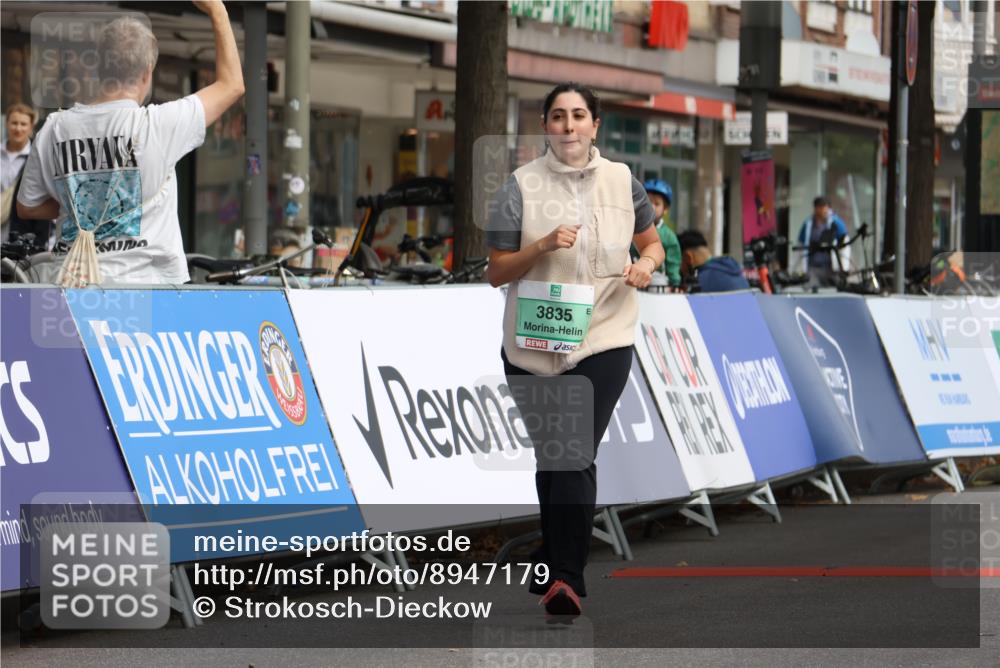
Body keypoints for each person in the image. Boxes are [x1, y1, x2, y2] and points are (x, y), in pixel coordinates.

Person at [486, 82, 664, 617]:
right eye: (559, 116)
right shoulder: (519, 186)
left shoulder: (622, 181)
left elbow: (652, 243)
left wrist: (646, 266)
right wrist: (541, 245)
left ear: (595, 125)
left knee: (572, 450)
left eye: (579, 115)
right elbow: (496, 271)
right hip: (532, 345)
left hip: (605, 335)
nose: (569, 125)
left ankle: (566, 575)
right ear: (545, 125)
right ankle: (553, 557)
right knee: (554, 456)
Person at [17, 2, 244, 284]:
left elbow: (27, 206)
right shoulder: (158, 124)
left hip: (72, 286)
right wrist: (217, 10)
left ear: (98, 69)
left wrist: (86, 206)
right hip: (148, 287)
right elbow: (232, 85)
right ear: (147, 73)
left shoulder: (54, 128)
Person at [1, 103, 51, 248]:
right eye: (14, 123)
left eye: (23, 124)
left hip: (22, 241)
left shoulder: (38, 159)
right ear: (6, 124)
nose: (18, 128)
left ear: (31, 127)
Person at [795, 195, 849, 287]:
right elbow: (800, 245)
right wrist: (798, 268)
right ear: (816, 209)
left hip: (831, 268)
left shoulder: (836, 223)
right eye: (820, 207)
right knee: (811, 288)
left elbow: (845, 245)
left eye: (825, 208)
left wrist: (844, 267)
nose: (823, 211)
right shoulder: (808, 224)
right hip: (813, 268)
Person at [677, 229, 750, 293]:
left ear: (688, 257)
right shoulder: (737, 273)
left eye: (679, 263)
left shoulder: (700, 282)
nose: (680, 269)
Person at [642, 178, 682, 288]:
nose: (652, 206)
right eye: (648, 202)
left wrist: (675, 284)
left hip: (658, 287)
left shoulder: (669, 236)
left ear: (665, 209)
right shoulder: (633, 228)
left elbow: (673, 265)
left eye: (657, 203)